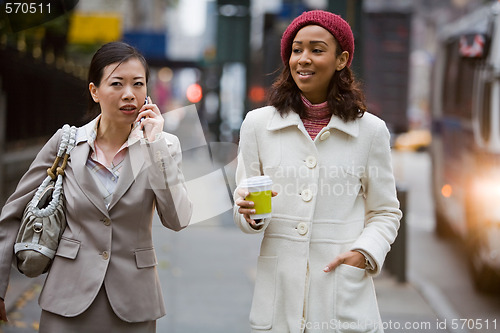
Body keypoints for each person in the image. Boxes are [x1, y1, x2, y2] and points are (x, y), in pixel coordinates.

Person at [0, 41, 192, 332]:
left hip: (134, 304)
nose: (129, 94)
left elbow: (178, 218)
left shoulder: (163, 147)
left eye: (137, 84)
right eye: (117, 83)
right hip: (66, 301)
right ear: (94, 91)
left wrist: (155, 147)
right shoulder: (66, 144)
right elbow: (13, 212)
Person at [234, 10, 402, 332]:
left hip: (340, 296)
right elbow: (245, 209)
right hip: (279, 300)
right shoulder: (257, 125)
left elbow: (385, 212)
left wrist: (363, 253)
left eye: (316, 50)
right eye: (297, 50)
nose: (303, 59)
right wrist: (250, 214)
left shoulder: (370, 132)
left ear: (341, 59)